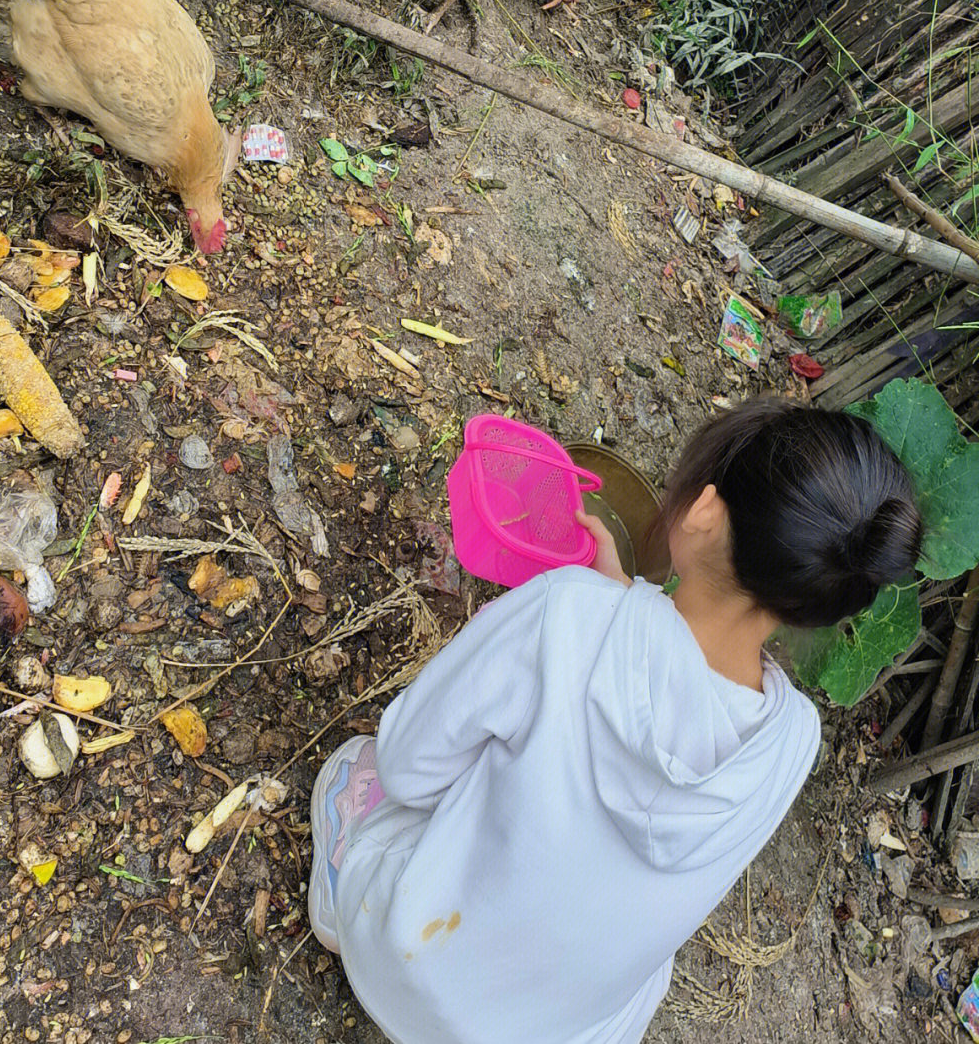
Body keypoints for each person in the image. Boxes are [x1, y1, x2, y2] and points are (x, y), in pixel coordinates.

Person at [308, 398, 923, 1044]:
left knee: (367, 765)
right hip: (556, 1030)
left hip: (415, 969)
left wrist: (597, 607)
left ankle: (347, 904)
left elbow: (409, 766)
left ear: (707, 510)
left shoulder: (566, 613)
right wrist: (626, 599)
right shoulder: (795, 739)